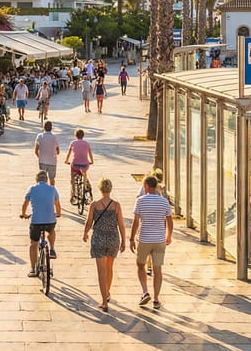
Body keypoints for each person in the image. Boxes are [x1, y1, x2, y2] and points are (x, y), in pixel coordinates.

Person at [131, 175, 173, 310]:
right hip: (159, 239)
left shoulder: (140, 201)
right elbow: (169, 222)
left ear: (147, 186)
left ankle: (145, 292)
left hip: (144, 239)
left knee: (140, 264)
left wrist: (131, 238)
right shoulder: (164, 202)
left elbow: (136, 222)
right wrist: (169, 236)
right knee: (158, 269)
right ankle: (156, 299)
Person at [83, 178, 126, 311]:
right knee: (109, 268)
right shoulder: (116, 205)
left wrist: (85, 233)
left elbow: (89, 222)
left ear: (100, 189)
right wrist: (124, 240)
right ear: (110, 189)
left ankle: (104, 301)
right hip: (113, 239)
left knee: (101, 272)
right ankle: (107, 293)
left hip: (99, 239)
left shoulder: (94, 205)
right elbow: (121, 225)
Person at [19, 170, 61, 278]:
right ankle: (52, 248)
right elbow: (57, 205)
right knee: (51, 231)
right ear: (46, 180)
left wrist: (23, 214)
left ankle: (33, 269)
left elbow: (25, 203)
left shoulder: (32, 189)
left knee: (33, 244)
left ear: (36, 180)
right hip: (50, 220)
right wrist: (58, 214)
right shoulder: (52, 189)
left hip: (36, 221)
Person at [65, 129, 94, 200]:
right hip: (85, 164)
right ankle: (84, 186)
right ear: (83, 136)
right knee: (84, 173)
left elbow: (69, 154)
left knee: (73, 177)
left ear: (75, 136)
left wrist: (66, 161)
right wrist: (92, 161)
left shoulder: (73, 143)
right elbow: (90, 154)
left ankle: (73, 193)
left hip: (75, 164)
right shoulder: (87, 143)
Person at [34, 120, 60, 184]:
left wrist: (39, 157)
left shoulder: (39, 136)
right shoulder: (54, 137)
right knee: (52, 179)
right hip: (52, 161)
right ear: (51, 128)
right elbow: (58, 151)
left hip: (42, 161)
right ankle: (52, 191)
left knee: (42, 180)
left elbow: (36, 150)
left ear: (44, 127)